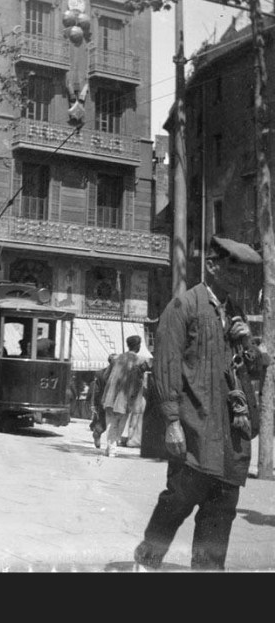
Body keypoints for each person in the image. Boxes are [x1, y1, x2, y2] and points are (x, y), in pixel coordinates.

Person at [133, 235, 265, 571]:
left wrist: (246, 343)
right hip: (194, 429)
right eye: (232, 270)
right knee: (178, 500)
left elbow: (251, 369)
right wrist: (172, 421)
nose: (239, 279)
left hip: (230, 438)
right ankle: (147, 561)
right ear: (211, 266)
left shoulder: (235, 313)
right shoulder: (184, 306)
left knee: (221, 510)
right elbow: (166, 366)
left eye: (243, 273)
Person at [100, 334, 151, 457]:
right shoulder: (140, 361)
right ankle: (112, 447)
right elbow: (141, 379)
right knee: (120, 422)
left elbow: (105, 376)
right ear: (137, 346)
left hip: (111, 395)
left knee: (111, 421)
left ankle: (110, 446)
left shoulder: (116, 358)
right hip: (126, 397)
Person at [89, 354, 117, 449]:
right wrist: (93, 403)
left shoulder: (101, 373)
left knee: (105, 422)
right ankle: (98, 433)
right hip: (107, 401)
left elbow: (95, 390)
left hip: (107, 400)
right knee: (106, 422)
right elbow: (95, 389)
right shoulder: (103, 373)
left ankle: (98, 433)